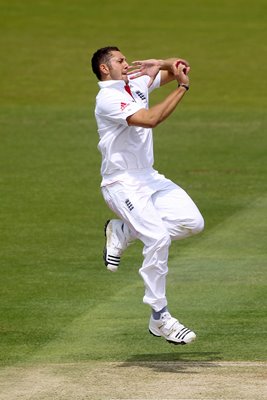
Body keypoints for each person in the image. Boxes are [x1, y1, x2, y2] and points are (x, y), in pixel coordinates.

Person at [91, 46, 204, 345]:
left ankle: (124, 230)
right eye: (120, 61)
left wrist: (163, 63)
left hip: (149, 177)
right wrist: (182, 88)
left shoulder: (136, 80)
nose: (127, 63)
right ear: (105, 69)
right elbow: (151, 118)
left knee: (192, 223)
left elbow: (181, 65)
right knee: (158, 238)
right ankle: (160, 317)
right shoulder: (108, 99)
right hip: (121, 183)